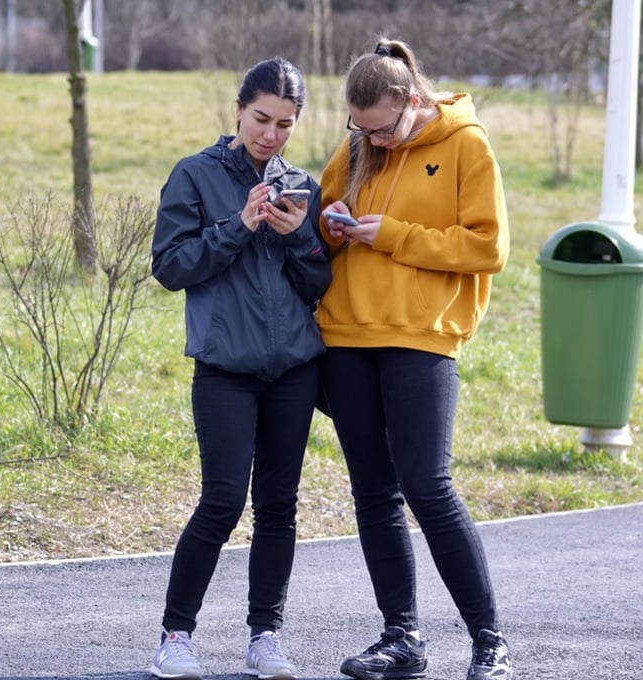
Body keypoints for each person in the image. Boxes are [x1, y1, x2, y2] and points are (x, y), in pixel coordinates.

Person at [316, 38, 513, 680]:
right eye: (360, 128)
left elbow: (488, 247)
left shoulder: (466, 144)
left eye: (382, 128)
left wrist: (395, 236)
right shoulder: (359, 146)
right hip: (346, 336)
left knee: (428, 487)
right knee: (373, 493)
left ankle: (489, 642)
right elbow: (321, 222)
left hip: (421, 336)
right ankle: (401, 639)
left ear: (410, 100)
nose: (372, 140)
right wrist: (329, 223)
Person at [148, 57, 330, 680]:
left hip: (294, 369)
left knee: (279, 505)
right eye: (261, 119)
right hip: (225, 366)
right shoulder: (195, 175)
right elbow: (170, 267)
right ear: (238, 111)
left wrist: (299, 235)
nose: (271, 134)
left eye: (285, 123)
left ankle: (265, 637)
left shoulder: (301, 184)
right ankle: (175, 636)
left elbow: (318, 283)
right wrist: (239, 225)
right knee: (222, 502)